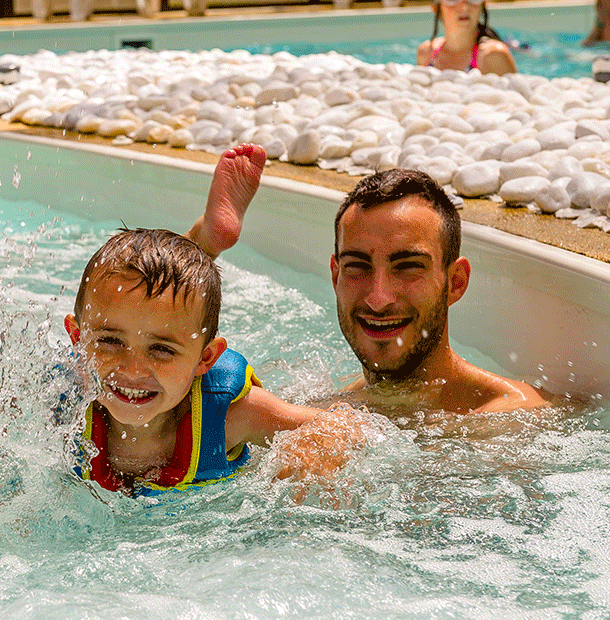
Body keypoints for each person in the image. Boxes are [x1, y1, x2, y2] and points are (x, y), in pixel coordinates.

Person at [188, 144, 549, 415]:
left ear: (455, 282)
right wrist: (203, 246)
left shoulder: (514, 418)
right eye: (357, 266)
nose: (378, 298)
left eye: (408, 267)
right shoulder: (323, 412)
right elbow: (153, 372)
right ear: (334, 275)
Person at [66, 226, 365, 496]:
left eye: (162, 349)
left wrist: (320, 447)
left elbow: (347, 426)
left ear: (205, 358)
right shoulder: (59, 406)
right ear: (77, 338)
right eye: (109, 341)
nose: (132, 369)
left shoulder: (230, 416)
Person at [416, 0, 517, 76]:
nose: (464, 7)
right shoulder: (426, 53)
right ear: (436, 8)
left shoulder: (493, 56)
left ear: (483, 5)